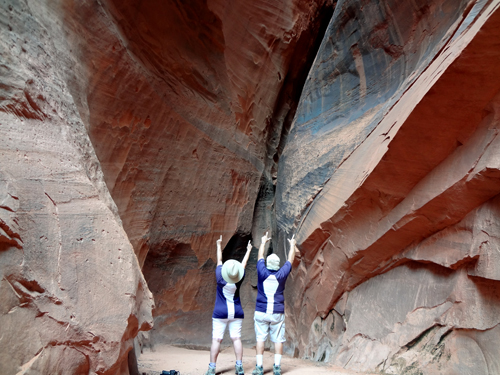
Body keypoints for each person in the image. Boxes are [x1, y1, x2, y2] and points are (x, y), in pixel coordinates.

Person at [204, 235, 253, 375]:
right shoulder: (238, 279)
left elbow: (219, 260)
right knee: (236, 338)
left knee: (217, 339)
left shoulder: (220, 277)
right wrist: (248, 250)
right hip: (236, 312)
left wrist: (219, 245)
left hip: (220, 312)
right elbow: (243, 265)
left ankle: (212, 368)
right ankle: (239, 366)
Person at [251, 232, 296, 375]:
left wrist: (263, 242)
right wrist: (292, 246)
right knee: (278, 340)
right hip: (277, 312)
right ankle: (277, 367)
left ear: (267, 264)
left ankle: (259, 367)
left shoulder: (262, 271)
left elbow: (260, 257)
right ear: (277, 266)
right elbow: (290, 260)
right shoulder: (281, 274)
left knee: (260, 339)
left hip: (261, 311)